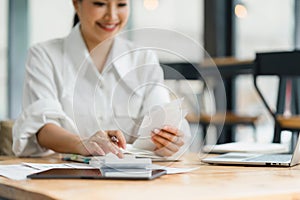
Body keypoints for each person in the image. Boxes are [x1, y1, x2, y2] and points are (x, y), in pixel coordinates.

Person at [12, 0, 191, 158]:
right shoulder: (44, 55)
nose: (111, 16)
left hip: (133, 181)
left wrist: (168, 142)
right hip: (66, 181)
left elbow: (159, 117)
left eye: (121, 4)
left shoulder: (143, 58)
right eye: (100, 4)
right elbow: (41, 127)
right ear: (76, 3)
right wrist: (82, 143)